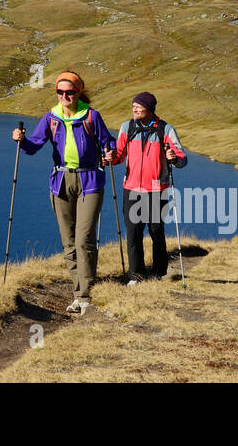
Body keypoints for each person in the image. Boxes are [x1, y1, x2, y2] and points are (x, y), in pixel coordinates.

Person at [11, 70, 116, 314]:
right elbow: (34, 145)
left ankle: (85, 294)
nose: (65, 96)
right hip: (61, 180)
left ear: (78, 92)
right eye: (60, 92)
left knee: (84, 239)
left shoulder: (91, 116)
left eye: (70, 92)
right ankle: (78, 290)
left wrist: (110, 151)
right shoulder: (51, 117)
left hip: (90, 179)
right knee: (68, 242)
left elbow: (108, 142)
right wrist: (20, 140)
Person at [104, 92, 188, 283]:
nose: (134, 110)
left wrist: (173, 158)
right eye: (133, 107)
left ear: (149, 109)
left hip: (157, 190)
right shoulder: (128, 127)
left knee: (156, 231)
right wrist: (110, 158)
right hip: (132, 188)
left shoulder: (165, 130)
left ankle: (158, 272)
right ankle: (136, 274)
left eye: (139, 107)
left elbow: (182, 158)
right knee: (133, 232)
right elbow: (118, 155)